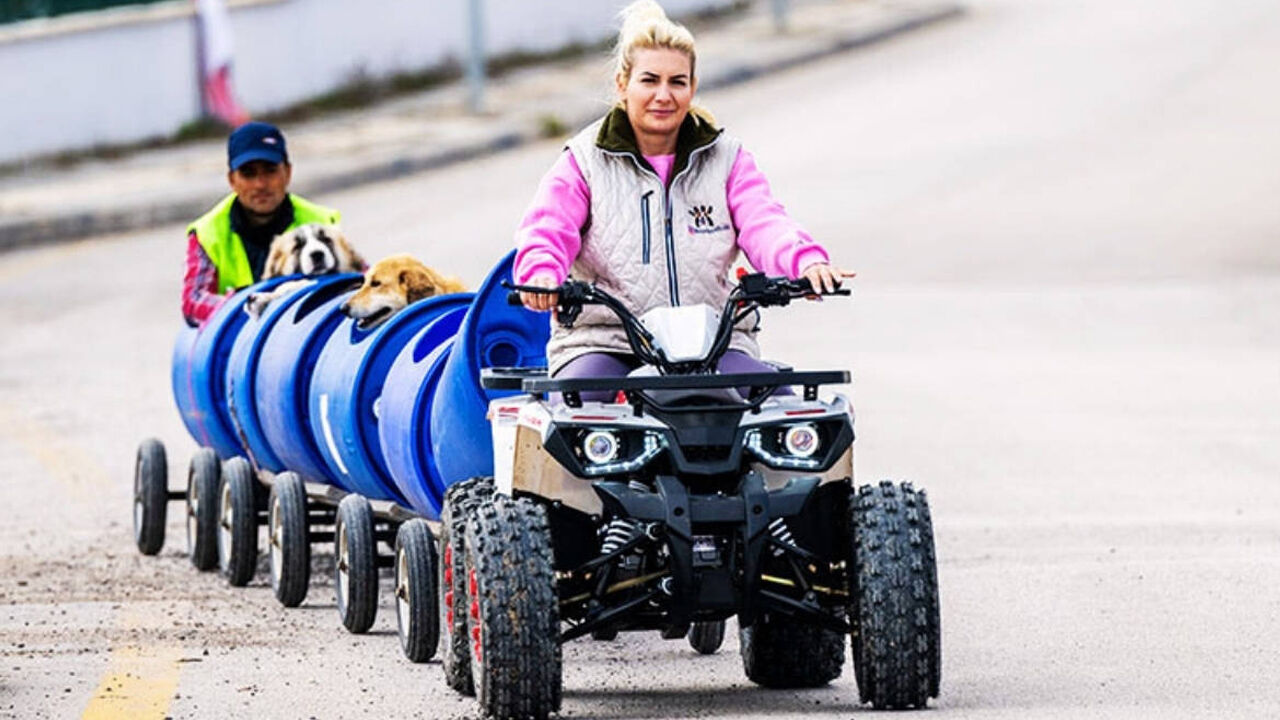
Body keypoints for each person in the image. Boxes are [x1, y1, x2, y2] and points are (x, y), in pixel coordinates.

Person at [514, 0, 852, 397]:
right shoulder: (585, 161)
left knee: (787, 419)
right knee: (571, 416)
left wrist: (805, 263)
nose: (663, 94)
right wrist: (540, 275)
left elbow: (765, 222)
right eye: (649, 80)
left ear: (692, 88)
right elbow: (548, 229)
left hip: (713, 342)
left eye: (677, 82)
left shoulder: (727, 158)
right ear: (622, 85)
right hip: (606, 340)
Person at [181, 121, 342, 326]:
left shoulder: (321, 222)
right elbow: (194, 301)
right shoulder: (207, 232)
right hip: (238, 341)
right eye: (248, 173)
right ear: (232, 180)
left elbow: (358, 282)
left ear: (288, 173)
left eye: (270, 170)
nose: (260, 184)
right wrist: (254, 308)